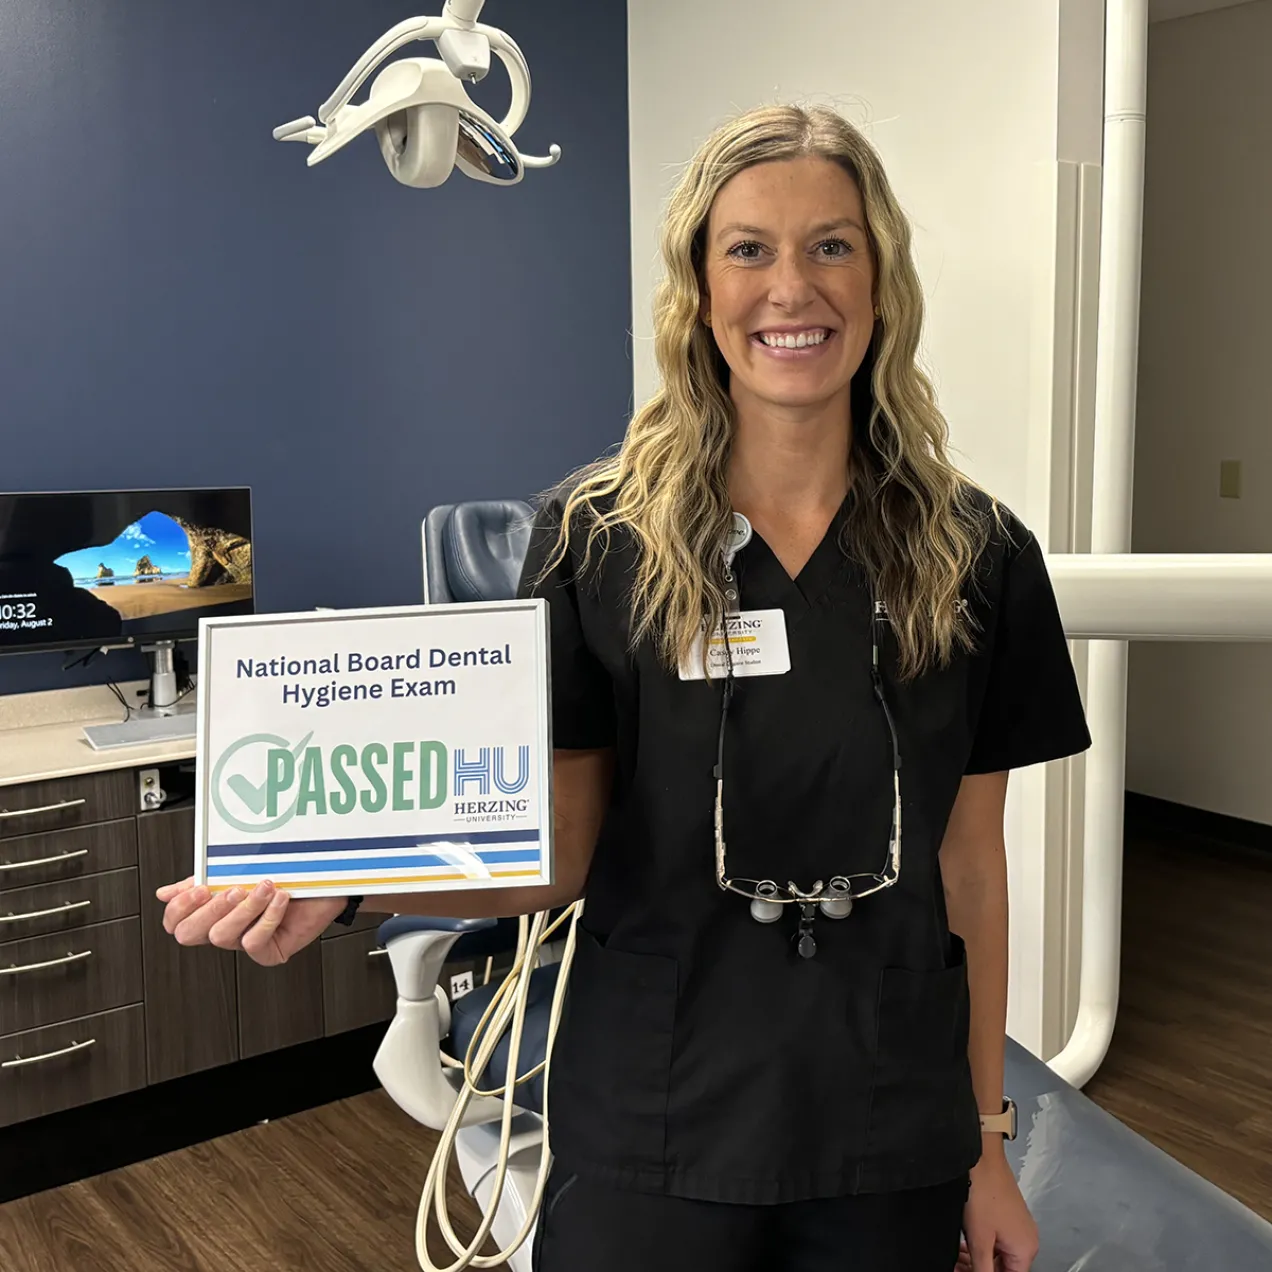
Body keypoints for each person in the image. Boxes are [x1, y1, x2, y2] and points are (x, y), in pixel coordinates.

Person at [158, 104, 1091, 1271]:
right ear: (699, 289)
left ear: (882, 279)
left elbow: (970, 866)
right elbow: (560, 852)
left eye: (831, 245)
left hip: (886, 1117)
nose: (790, 287)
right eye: (748, 248)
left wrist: (987, 1143)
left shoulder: (979, 554)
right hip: (657, 1110)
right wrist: (346, 884)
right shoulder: (598, 537)